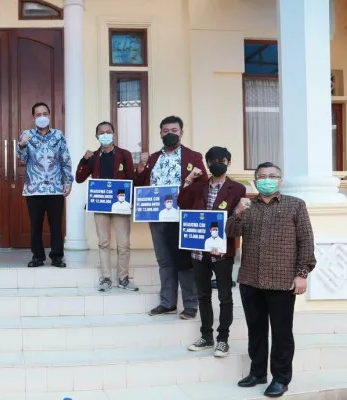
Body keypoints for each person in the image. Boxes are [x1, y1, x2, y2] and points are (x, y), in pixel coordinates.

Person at [227, 162, 315, 398]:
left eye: (272, 176)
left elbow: (306, 242)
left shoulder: (295, 205)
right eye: (262, 176)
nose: (267, 179)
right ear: (255, 181)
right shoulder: (247, 206)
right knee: (256, 330)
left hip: (282, 281)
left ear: (280, 180)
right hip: (250, 280)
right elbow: (231, 233)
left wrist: (302, 274)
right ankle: (258, 373)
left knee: (281, 333)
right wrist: (237, 212)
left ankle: (281, 378)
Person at [134, 115, 207, 319]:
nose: (170, 134)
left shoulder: (193, 157)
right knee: (164, 261)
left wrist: (191, 182)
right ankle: (167, 303)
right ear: (160, 133)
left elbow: (204, 185)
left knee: (183, 262)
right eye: (165, 131)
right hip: (157, 216)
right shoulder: (153, 158)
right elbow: (140, 184)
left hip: (181, 216)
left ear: (181, 133)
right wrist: (140, 169)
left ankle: (191, 304)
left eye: (174, 131)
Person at [177, 146, 246, 358]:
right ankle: (206, 336)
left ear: (228, 163)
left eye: (222, 160)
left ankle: (223, 339)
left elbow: (235, 217)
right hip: (199, 250)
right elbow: (182, 203)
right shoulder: (199, 186)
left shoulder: (237, 189)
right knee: (203, 295)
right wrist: (188, 181)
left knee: (225, 296)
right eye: (213, 160)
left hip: (222, 250)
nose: (217, 163)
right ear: (207, 164)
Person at [75, 121, 137, 291]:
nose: (105, 135)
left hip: (121, 204)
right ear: (97, 136)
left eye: (108, 132)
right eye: (101, 133)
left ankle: (123, 278)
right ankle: (106, 277)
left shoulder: (125, 155)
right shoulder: (93, 156)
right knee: (103, 242)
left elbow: (132, 178)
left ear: (113, 134)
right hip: (100, 204)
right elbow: (79, 178)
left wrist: (131, 202)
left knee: (123, 243)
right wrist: (84, 160)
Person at [17, 102, 73, 268]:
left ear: (49, 115)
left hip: (55, 188)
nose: (42, 117)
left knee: (56, 225)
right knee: (36, 225)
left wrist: (68, 181)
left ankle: (57, 257)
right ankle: (38, 257)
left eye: (45, 114)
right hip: (33, 188)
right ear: (33, 117)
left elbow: (65, 159)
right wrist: (21, 145)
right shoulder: (26, 135)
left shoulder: (58, 135)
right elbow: (21, 160)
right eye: (38, 114)